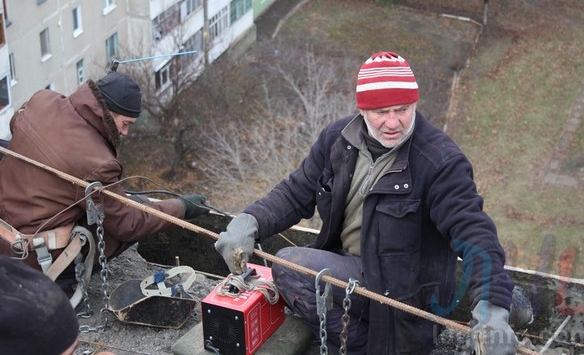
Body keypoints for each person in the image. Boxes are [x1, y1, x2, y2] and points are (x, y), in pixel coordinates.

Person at [216, 52, 518, 354]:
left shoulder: (439, 162)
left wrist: (492, 310)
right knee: (296, 270)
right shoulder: (338, 139)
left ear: (415, 103)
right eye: (380, 111)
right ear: (362, 109)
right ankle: (359, 343)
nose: (393, 122)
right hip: (352, 272)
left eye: (403, 109)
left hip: (407, 298)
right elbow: (297, 192)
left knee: (293, 266)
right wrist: (250, 220)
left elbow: (475, 234)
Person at [0, 72, 207, 292]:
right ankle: (63, 282)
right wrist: (183, 207)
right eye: (125, 123)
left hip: (5, 232)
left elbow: (16, 129)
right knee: (127, 217)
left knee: (120, 204)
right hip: (30, 255)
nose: (125, 133)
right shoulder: (97, 162)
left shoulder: (42, 100)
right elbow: (129, 224)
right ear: (107, 113)